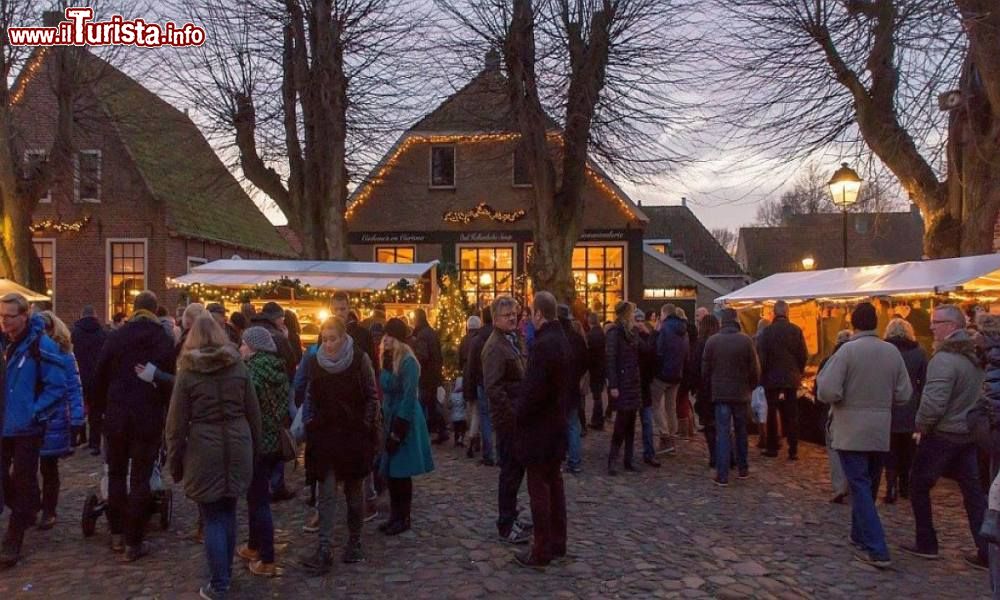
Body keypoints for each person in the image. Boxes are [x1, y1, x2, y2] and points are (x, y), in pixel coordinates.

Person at [166, 314, 261, 599]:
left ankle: (219, 583)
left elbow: (176, 424)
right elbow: (253, 413)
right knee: (228, 510)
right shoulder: (237, 367)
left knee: (213, 516)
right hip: (237, 442)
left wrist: (175, 461)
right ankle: (225, 573)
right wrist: (254, 449)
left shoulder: (188, 373)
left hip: (204, 448)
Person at [817, 302, 912, 569]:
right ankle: (859, 535)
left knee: (860, 486)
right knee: (868, 485)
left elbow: (827, 391)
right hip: (881, 429)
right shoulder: (891, 352)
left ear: (853, 323)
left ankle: (877, 547)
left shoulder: (847, 352)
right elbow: (904, 394)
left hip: (851, 429)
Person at [901, 304, 989, 569]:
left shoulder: (944, 359)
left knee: (918, 485)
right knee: (973, 493)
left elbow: (934, 402)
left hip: (943, 434)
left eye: (936, 322)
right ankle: (986, 550)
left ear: (951, 326)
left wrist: (921, 425)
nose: (931, 327)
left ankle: (926, 542)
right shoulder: (974, 358)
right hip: (967, 433)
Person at [92, 291, 176, 561]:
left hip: (117, 416)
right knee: (141, 478)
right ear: (155, 310)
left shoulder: (116, 336)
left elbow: (99, 375)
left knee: (116, 474)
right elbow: (169, 382)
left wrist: (101, 410)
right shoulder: (162, 339)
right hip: (147, 417)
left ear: (133, 309)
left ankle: (116, 533)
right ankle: (134, 540)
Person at [299, 317, 380, 574]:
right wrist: (310, 422)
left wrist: (365, 424)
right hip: (324, 436)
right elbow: (309, 395)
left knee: (354, 494)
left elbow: (371, 395)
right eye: (325, 339)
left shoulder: (358, 359)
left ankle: (354, 543)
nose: (329, 343)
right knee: (326, 494)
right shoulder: (315, 361)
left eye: (333, 338)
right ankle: (324, 548)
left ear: (343, 337)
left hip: (352, 435)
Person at [0, 294, 67, 567]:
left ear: (24, 316)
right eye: (2, 316)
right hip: (3, 422)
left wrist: (35, 411)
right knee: (4, 479)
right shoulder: (3, 343)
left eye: (9, 316)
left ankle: (13, 541)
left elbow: (57, 385)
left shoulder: (41, 345)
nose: (4, 321)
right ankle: (25, 509)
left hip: (26, 427)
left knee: (24, 478)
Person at [514, 291, 572, 568]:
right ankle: (558, 542)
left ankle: (541, 548)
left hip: (540, 428)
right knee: (555, 485)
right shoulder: (563, 340)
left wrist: (519, 414)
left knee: (539, 488)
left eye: (531, 313)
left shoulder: (543, 344)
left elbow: (534, 390)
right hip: (558, 424)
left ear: (539, 313)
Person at [233, 326, 290, 577]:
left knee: (258, 500)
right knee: (257, 496)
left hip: (257, 441)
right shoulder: (278, 368)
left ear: (253, 347)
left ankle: (266, 556)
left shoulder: (251, 372)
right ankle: (254, 545)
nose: (240, 348)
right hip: (274, 441)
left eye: (243, 344)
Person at [482, 295, 532, 544]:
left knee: (516, 471)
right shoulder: (494, 347)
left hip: (519, 417)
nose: (512, 317)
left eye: (514, 313)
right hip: (508, 421)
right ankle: (505, 523)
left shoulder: (514, 340)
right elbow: (493, 387)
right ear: (495, 318)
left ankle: (512, 514)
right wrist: (512, 414)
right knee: (509, 472)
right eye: (506, 314)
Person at [378, 318, 434, 535]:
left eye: (391, 335)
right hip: (391, 415)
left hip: (404, 419)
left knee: (401, 472)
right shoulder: (387, 358)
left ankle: (404, 516)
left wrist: (398, 429)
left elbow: (409, 396)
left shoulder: (408, 362)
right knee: (392, 472)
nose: (386, 339)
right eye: (386, 335)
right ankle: (395, 515)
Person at [36, 312, 84, 531]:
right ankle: (35, 505)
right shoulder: (29, 351)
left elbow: (74, 387)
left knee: (48, 467)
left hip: (54, 417)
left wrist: (76, 417)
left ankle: (48, 509)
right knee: (25, 468)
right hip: (34, 417)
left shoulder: (63, 354)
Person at [703, 308, 759, 487]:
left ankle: (723, 474)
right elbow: (755, 369)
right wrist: (750, 387)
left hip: (720, 394)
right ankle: (743, 468)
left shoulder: (712, 341)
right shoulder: (746, 341)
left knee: (723, 433)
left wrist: (710, 386)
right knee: (741, 432)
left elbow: (705, 370)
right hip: (741, 394)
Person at [882, 318, 927, 504]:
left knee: (890, 448)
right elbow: (925, 381)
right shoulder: (919, 352)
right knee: (907, 449)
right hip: (910, 405)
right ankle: (905, 486)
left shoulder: (883, 352)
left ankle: (891, 487)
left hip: (888, 404)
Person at [756, 300, 807, 460]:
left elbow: (761, 355)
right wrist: (798, 371)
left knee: (771, 410)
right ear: (787, 312)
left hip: (771, 376)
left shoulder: (767, 332)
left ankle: (772, 447)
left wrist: (762, 374)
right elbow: (803, 355)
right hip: (791, 376)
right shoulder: (796, 330)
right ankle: (793, 449)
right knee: (792, 413)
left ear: (774, 312)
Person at [605, 302, 642, 476]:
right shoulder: (614, 333)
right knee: (621, 422)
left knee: (631, 423)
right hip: (622, 381)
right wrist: (613, 384)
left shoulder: (633, 333)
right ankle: (613, 459)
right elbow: (610, 358)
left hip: (632, 381)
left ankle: (628, 458)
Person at [818, 329, 853, 504]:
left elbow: (823, 389)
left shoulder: (831, 360)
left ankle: (840, 486)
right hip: (858, 413)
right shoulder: (858, 359)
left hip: (837, 410)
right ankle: (853, 484)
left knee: (835, 449)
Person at [651, 303, 689, 455]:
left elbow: (658, 351)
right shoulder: (684, 330)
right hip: (677, 374)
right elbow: (687, 353)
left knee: (654, 404)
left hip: (662, 373)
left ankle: (665, 435)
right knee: (670, 407)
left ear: (664, 313)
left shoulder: (664, 328)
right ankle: (672, 438)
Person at [71, 305, 108, 456]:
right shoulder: (103, 333)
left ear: (81, 315)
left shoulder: (75, 333)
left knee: (78, 407)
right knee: (96, 411)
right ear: (95, 315)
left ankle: (77, 439)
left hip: (79, 374)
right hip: (97, 377)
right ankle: (94, 443)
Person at [558, 305, 587, 474]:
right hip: (573, 386)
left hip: (560, 387)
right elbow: (585, 361)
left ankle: (562, 455)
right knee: (573, 424)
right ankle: (575, 460)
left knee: (561, 423)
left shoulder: (556, 338)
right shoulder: (577, 338)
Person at [464, 307, 495, 464]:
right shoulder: (500, 336)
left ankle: (489, 453)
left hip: (482, 383)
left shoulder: (477, 339)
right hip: (497, 382)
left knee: (485, 418)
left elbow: (471, 366)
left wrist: (469, 388)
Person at [411, 308, 447, 445]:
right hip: (434, 372)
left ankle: (419, 431)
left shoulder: (422, 335)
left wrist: (415, 361)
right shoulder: (431, 332)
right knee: (432, 404)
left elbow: (423, 355)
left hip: (426, 375)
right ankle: (441, 430)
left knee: (423, 403)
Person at [691, 314, 720, 469]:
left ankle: (714, 455)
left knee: (709, 424)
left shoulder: (700, 343)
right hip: (720, 387)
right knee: (722, 424)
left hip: (705, 388)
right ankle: (729, 455)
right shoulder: (721, 342)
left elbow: (694, 366)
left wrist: (695, 386)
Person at [635, 310, 661, 468]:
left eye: (640, 320)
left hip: (644, 385)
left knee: (647, 421)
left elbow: (653, 357)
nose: (638, 323)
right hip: (632, 385)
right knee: (630, 422)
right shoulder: (631, 338)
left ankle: (649, 453)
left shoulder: (647, 339)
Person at [454, 315, 483, 448]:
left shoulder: (464, 340)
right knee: (477, 408)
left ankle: (473, 434)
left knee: (471, 407)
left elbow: (459, 359)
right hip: (477, 375)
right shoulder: (479, 340)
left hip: (467, 375)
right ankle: (474, 436)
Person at [250, 302, 297, 378]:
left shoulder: (250, 328)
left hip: (253, 377)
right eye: (282, 318)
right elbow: (290, 361)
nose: (283, 321)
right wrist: (286, 339)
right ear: (276, 318)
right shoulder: (278, 336)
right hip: (272, 379)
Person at [586, 313, 607, 431]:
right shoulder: (602, 333)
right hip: (601, 367)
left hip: (595, 368)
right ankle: (598, 418)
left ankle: (597, 420)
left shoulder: (591, 335)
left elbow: (590, 354)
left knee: (597, 396)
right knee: (598, 395)